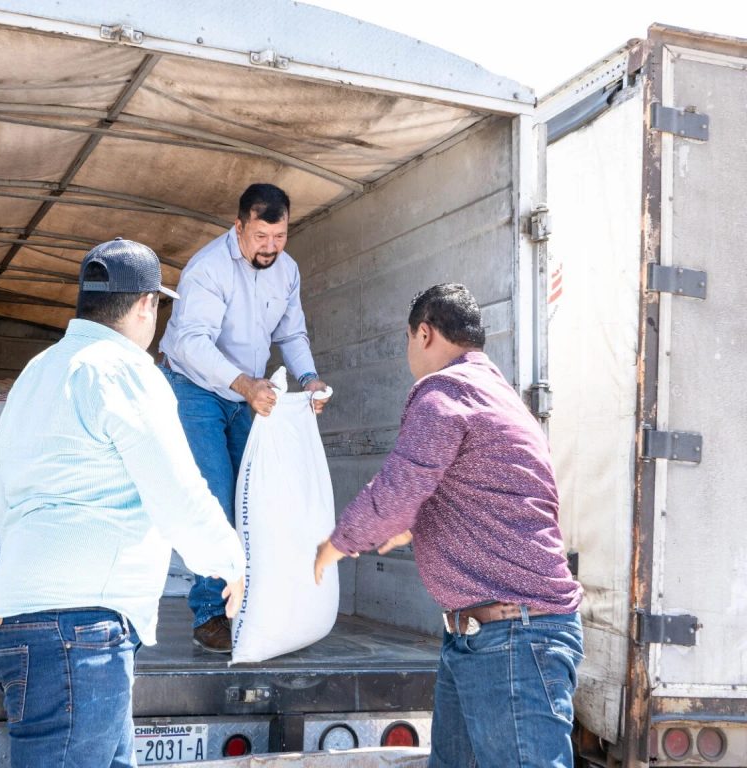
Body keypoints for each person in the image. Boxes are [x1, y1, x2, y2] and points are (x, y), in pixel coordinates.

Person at [0, 238, 245, 768]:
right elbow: (176, 489)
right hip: (80, 632)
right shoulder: (123, 369)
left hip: (27, 617)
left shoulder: (39, 371)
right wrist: (230, 563)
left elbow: (5, 491)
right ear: (146, 304)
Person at [314, 283, 583, 767]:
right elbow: (481, 493)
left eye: (407, 341)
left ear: (424, 333)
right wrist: (416, 527)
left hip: (514, 641)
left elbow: (398, 487)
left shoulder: (444, 394)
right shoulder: (494, 393)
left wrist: (334, 545)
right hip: (486, 637)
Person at [159, 182, 330, 653]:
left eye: (279, 237)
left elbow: (291, 333)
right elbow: (192, 345)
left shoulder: (287, 271)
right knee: (215, 493)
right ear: (239, 227)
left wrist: (310, 378)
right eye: (261, 237)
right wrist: (247, 386)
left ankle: (248, 605)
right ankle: (211, 614)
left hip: (246, 392)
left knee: (253, 494)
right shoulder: (208, 270)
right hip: (195, 386)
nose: (271, 248)